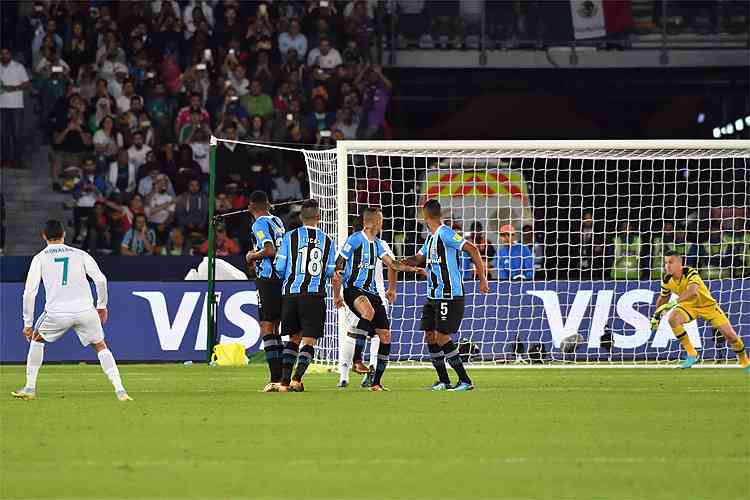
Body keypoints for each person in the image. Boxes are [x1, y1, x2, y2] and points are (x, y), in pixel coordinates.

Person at [14, 220, 131, 401]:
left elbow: (29, 293)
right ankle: (120, 390)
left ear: (44, 236)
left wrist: (27, 323)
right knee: (100, 346)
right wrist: (101, 305)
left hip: (57, 313)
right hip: (85, 310)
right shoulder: (80, 254)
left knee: (37, 339)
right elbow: (100, 280)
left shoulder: (39, 258)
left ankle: (29, 388)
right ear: (64, 235)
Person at [402, 199, 489, 391]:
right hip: (433, 294)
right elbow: (418, 259)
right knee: (430, 336)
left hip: (449, 295)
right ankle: (443, 381)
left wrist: (482, 278)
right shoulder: (430, 238)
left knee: (442, 336)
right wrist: (397, 263)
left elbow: (472, 249)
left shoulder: (446, 234)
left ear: (425, 216)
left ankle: (465, 380)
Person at [333, 207, 422, 391]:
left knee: (385, 336)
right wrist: (337, 292)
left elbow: (393, 264)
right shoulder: (355, 239)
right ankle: (357, 361)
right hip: (353, 289)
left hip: (372, 292)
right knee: (368, 312)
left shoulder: (380, 244)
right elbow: (339, 263)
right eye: (380, 220)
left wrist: (412, 269)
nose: (382, 223)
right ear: (370, 222)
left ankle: (376, 383)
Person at [273, 199, 336, 392]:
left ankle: (283, 382)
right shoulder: (327, 240)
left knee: (293, 338)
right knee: (309, 340)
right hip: (314, 295)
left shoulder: (289, 237)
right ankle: (296, 379)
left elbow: (280, 267)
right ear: (319, 217)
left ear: (301, 217)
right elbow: (329, 271)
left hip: (291, 294)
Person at [650, 251, 749, 372]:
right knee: (673, 319)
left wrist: (673, 303)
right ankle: (692, 353)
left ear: (680, 264)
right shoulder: (666, 279)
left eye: (671, 262)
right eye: (666, 263)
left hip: (708, 306)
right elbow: (663, 297)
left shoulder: (690, 272)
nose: (667, 265)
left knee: (731, 336)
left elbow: (692, 291)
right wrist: (656, 315)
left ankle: (744, 360)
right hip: (688, 306)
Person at [245, 191, 286, 391]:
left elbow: (269, 250)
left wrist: (252, 255)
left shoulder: (259, 224)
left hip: (268, 280)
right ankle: (281, 377)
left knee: (267, 327)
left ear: (251, 206)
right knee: (276, 326)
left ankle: (275, 378)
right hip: (282, 278)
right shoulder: (277, 221)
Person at [0, 48, 32, 168]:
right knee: (2, 135)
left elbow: (27, 83)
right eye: (2, 54)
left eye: (6, 53)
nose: (4, 55)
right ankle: (4, 160)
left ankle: (17, 161)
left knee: (17, 135)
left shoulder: (18, 67)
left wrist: (14, 88)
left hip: (16, 106)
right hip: (1, 106)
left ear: (10, 55)